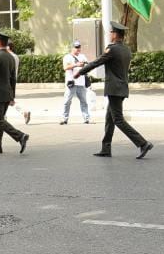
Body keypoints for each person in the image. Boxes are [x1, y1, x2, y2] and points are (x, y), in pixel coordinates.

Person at [74, 21, 153, 159]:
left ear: (115, 35)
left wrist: (80, 72)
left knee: (118, 120)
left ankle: (142, 143)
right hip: (121, 87)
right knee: (109, 119)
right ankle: (106, 148)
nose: (110, 34)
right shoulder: (126, 49)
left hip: (114, 88)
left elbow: (96, 62)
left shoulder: (113, 49)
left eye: (111, 32)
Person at [61, 40, 92, 124]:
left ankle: (86, 118)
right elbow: (65, 67)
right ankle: (64, 119)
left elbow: (87, 66)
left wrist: (84, 66)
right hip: (71, 83)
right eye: (76, 47)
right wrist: (76, 65)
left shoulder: (83, 56)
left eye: (79, 47)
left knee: (84, 101)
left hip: (81, 83)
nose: (78, 49)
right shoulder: (67, 57)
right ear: (72, 48)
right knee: (67, 101)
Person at [5, 40, 31, 125]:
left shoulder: (8, 57)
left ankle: (3, 120)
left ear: (8, 47)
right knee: (10, 101)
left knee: (3, 101)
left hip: (6, 81)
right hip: (13, 81)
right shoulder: (15, 56)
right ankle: (24, 112)